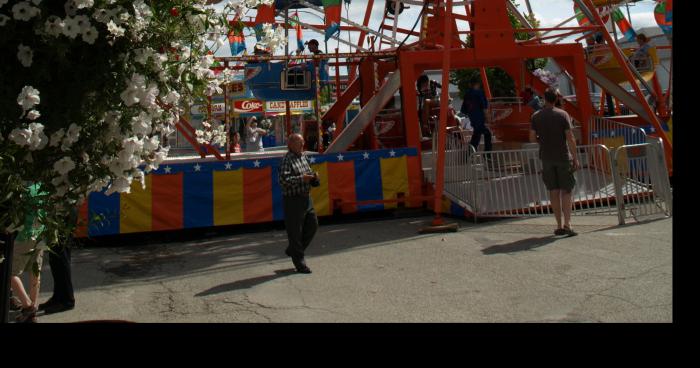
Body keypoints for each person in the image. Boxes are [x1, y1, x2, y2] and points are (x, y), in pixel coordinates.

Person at [529, 88, 580, 237]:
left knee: (553, 191)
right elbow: (570, 138)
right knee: (566, 191)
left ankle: (558, 225)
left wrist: (542, 141)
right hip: (563, 157)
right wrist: (575, 157)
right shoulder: (562, 114)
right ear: (556, 98)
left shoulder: (536, 116)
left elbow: (532, 138)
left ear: (544, 99)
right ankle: (568, 224)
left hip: (546, 157)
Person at [278, 134, 319, 274]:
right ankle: (300, 263)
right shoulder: (286, 159)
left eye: (303, 142)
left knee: (312, 225)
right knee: (295, 232)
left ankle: (293, 250)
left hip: (306, 198)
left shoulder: (303, 156)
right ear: (291, 144)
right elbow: (284, 180)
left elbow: (308, 173)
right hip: (293, 200)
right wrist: (303, 179)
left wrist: (313, 178)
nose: (303, 144)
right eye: (300, 142)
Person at [10, 184, 45, 323]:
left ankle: (28, 306)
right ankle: (31, 313)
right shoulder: (43, 186)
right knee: (35, 271)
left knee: (10, 273)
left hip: (24, 236)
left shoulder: (22, 190)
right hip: (40, 233)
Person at [38, 206, 76, 315]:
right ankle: (58, 297)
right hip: (58, 210)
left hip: (64, 211)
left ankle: (67, 300)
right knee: (54, 258)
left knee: (61, 256)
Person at [461, 78, 492, 152]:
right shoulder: (479, 93)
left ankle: (469, 154)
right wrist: (488, 118)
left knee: (476, 136)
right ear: (478, 84)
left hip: (473, 119)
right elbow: (484, 107)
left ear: (470, 84)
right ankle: (487, 153)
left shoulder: (467, 94)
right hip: (480, 119)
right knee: (487, 134)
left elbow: (463, 110)